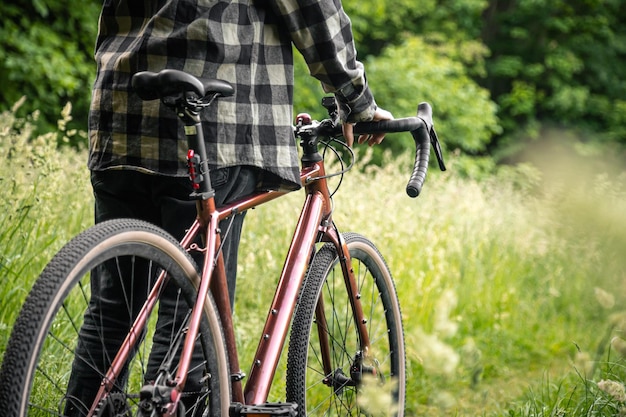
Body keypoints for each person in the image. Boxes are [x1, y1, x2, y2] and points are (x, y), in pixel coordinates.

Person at [64, 0, 393, 415]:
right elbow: (312, 9)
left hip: (121, 114)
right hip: (214, 122)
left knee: (114, 310)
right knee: (191, 315)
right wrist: (356, 99)